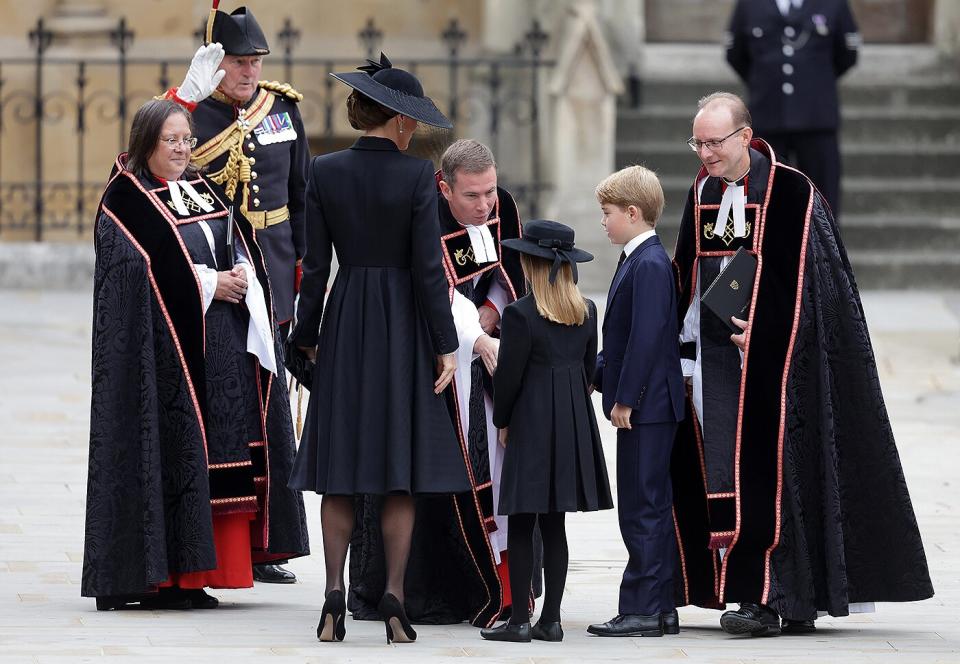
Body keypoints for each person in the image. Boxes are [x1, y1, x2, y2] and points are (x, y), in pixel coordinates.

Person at [670, 91, 933, 636]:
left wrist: (765, 337)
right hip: (720, 361)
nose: (705, 153)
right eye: (697, 142)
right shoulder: (702, 191)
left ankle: (779, 596)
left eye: (714, 142)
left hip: (782, 367)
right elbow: (691, 273)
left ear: (745, 136)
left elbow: (821, 295)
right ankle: (739, 590)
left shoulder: (793, 194)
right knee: (724, 469)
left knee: (778, 473)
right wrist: (685, 342)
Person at [82, 99, 309, 610]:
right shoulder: (127, 199)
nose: (183, 148)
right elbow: (135, 272)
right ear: (146, 144)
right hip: (166, 361)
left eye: (186, 138)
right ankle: (167, 579)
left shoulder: (200, 187)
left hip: (221, 350)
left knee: (223, 457)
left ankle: (206, 572)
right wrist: (209, 283)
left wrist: (241, 276)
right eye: (171, 140)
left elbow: (235, 240)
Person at [288, 53, 468, 644]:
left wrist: (304, 337)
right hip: (401, 328)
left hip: (345, 321)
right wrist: (445, 345)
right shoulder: (417, 176)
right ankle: (394, 597)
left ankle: (334, 597)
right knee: (399, 474)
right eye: (410, 119)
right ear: (395, 121)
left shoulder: (326, 170)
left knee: (340, 472)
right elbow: (427, 272)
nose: (413, 128)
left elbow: (314, 268)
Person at [348, 139, 530, 628]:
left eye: (490, 192)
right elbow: (432, 288)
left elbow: (509, 273)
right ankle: (418, 590)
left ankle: (498, 581)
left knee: (491, 465)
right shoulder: (421, 211)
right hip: (433, 358)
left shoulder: (502, 207)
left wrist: (492, 317)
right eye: (472, 196)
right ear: (444, 187)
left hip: (487, 354)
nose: (485, 205)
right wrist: (473, 336)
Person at [163, 4, 310, 584]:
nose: (249, 72)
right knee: (223, 411)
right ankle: (220, 539)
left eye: (254, 62)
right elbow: (153, 174)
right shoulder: (189, 116)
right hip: (218, 273)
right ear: (214, 62)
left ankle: (268, 544)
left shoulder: (283, 109)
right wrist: (186, 100)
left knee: (271, 410)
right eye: (238, 62)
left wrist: (303, 279)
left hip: (270, 274)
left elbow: (301, 199)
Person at [479, 220, 612, 643]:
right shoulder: (586, 310)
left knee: (521, 522)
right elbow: (590, 370)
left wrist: (502, 421)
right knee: (555, 524)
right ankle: (551, 620)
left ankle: (519, 619)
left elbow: (509, 378)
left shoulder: (520, 314)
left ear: (531, 264)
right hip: (572, 422)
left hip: (531, 421)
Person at [586, 166, 686, 638]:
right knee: (650, 504)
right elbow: (622, 338)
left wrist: (624, 398)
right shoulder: (638, 258)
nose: (602, 222)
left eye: (607, 213)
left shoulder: (647, 263)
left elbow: (647, 339)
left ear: (632, 212)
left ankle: (642, 608)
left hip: (647, 408)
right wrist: (595, 376)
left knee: (641, 508)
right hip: (649, 404)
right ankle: (661, 605)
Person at [726, 0, 860, 217]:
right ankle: (769, 251)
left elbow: (846, 54)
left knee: (823, 200)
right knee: (764, 198)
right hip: (767, 115)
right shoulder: (748, 4)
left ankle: (821, 252)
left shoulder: (834, 3)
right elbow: (736, 54)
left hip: (817, 117)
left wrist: (813, 84)